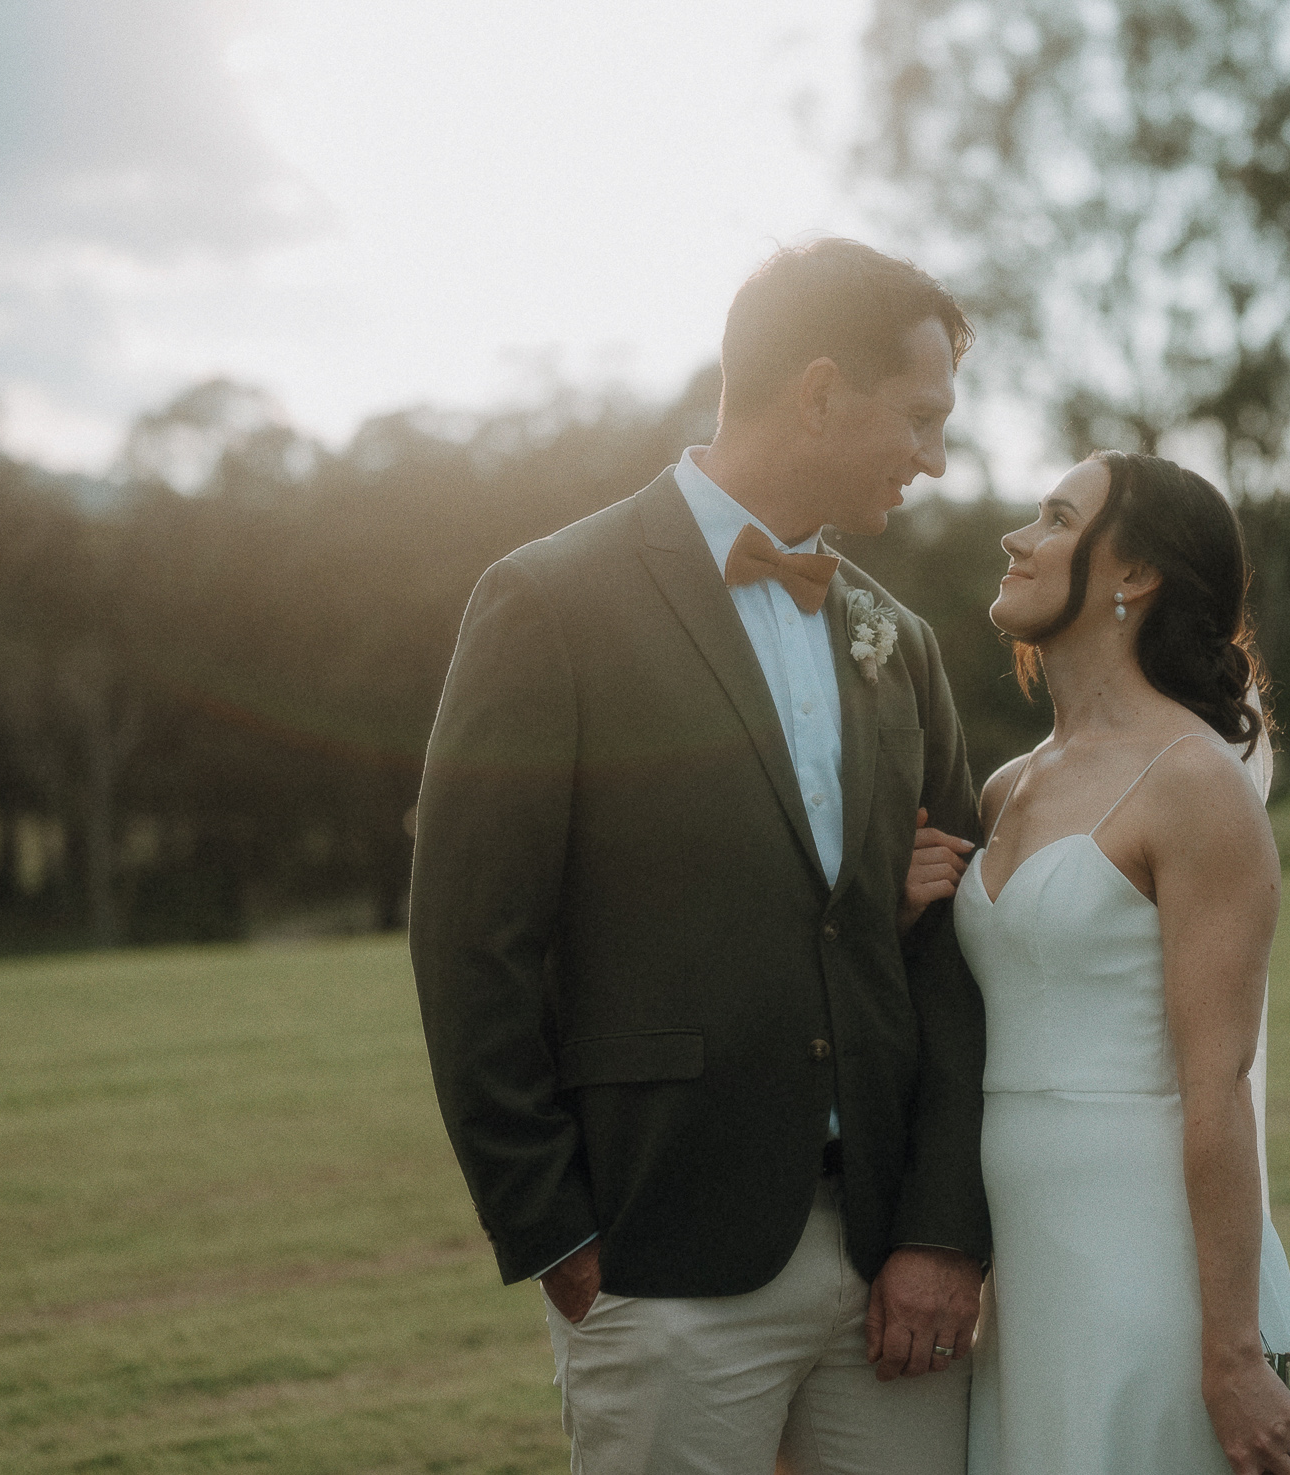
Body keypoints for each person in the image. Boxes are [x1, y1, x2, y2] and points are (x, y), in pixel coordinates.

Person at [407, 238, 994, 1475]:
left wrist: (942, 1233)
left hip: (891, 1264)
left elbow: (952, 957)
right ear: (822, 392)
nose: (936, 456)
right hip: (659, 1250)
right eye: (922, 416)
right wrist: (553, 1227)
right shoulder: (547, 603)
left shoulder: (903, 645)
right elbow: (472, 942)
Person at [905, 450, 1290, 1475]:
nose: (1016, 537)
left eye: (1055, 517)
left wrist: (1232, 1351)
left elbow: (1218, 1086)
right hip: (1026, 1251)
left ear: (1133, 574)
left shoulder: (1191, 783)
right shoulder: (1009, 786)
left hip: (1147, 1244)